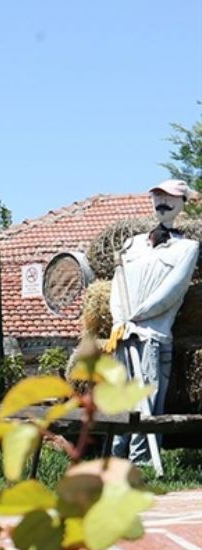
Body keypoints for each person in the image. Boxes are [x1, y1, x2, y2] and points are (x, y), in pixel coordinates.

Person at [108, 178, 200, 463]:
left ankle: (142, 461)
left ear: (182, 203)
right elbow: (117, 284)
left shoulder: (187, 248)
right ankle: (115, 457)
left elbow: (171, 291)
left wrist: (139, 314)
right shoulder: (131, 245)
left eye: (170, 197)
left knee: (146, 399)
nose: (163, 202)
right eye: (158, 196)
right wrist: (119, 319)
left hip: (153, 335)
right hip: (123, 333)